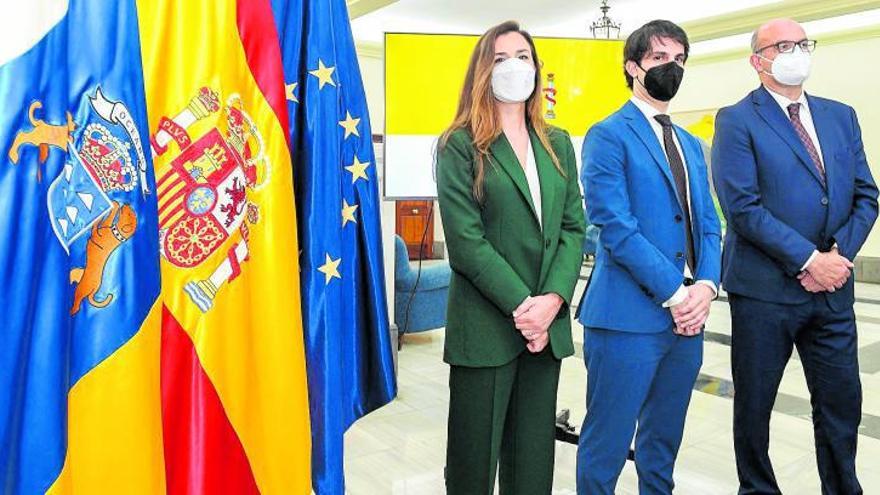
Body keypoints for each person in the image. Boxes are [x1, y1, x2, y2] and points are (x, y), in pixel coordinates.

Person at [712, 18, 878, 495]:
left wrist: (837, 258)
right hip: (765, 292)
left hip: (832, 293)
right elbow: (742, 208)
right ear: (757, 60)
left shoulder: (840, 115)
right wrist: (808, 260)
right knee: (756, 406)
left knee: (841, 404)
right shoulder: (738, 119)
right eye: (783, 45)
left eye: (803, 43)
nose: (796, 52)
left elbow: (867, 194)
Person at [435, 19, 585, 495]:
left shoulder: (557, 143)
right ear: (482, 71)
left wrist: (554, 300)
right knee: (472, 468)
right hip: (486, 328)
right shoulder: (459, 144)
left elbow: (572, 228)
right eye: (501, 58)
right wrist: (527, 308)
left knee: (532, 467)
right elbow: (466, 242)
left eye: (523, 57)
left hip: (546, 329)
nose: (515, 67)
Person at [576, 20, 722, 494]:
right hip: (626, 320)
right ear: (633, 67)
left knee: (662, 446)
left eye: (679, 59)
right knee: (606, 447)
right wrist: (676, 292)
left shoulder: (691, 145)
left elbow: (710, 224)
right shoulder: (608, 134)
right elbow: (615, 228)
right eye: (660, 58)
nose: (671, 67)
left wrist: (705, 287)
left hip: (687, 324)